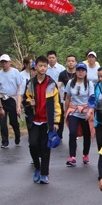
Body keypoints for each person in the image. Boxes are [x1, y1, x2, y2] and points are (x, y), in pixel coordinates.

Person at [22, 56, 62, 184]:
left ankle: (45, 173)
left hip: (47, 121)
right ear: (35, 67)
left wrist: (56, 122)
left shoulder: (51, 83)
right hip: (34, 121)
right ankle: (37, 168)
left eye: (45, 66)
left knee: (45, 148)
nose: (43, 68)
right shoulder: (30, 84)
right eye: (40, 66)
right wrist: (29, 102)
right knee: (33, 144)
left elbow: (57, 104)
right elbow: (25, 101)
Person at [64, 62, 94, 167]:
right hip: (74, 110)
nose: (80, 72)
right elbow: (67, 97)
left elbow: (91, 99)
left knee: (87, 134)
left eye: (83, 70)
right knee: (72, 132)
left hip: (86, 111)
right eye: (79, 70)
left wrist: (90, 111)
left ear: (86, 72)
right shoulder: (71, 83)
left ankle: (85, 154)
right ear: (76, 71)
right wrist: (65, 111)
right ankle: (72, 156)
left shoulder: (89, 84)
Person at [0, 54, 23, 148]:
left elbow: (20, 86)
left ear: (9, 62)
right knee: (2, 121)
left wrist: (19, 102)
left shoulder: (15, 72)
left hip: (13, 99)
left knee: (13, 121)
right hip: (3, 99)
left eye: (6, 62)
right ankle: (4, 141)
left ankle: (17, 134)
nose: (4, 64)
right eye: (2, 62)